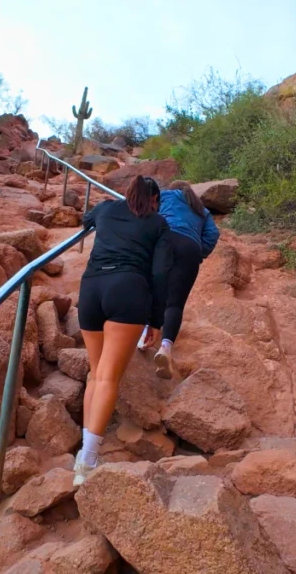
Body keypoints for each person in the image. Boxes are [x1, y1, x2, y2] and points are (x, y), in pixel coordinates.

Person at [72, 175, 172, 486]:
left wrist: (99, 217)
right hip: (128, 292)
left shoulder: (105, 209)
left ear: (128, 194)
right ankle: (86, 463)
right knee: (108, 377)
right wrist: (155, 321)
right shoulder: (158, 225)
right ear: (155, 200)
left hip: (91, 290)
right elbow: (160, 275)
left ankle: (84, 452)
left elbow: (86, 218)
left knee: (94, 373)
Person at [138, 181, 220, 378]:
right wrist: (199, 252)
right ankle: (165, 347)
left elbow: (149, 210)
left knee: (151, 288)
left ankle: (143, 336)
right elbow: (213, 234)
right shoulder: (202, 210)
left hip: (166, 239)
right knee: (175, 303)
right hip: (190, 248)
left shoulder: (165, 195)